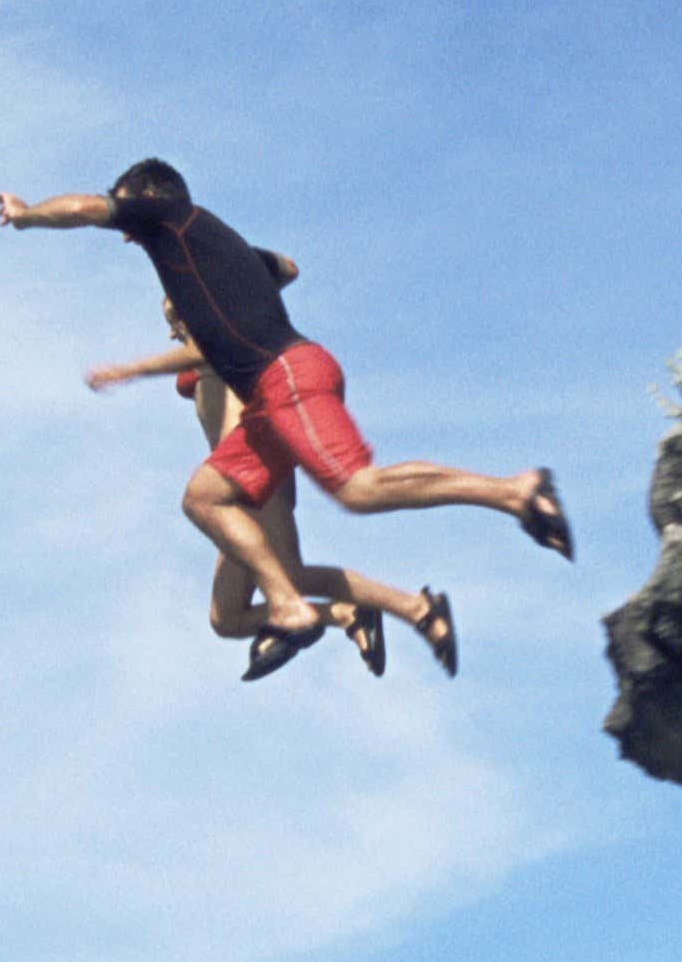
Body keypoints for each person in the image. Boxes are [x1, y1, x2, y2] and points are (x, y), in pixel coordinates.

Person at [0, 157, 570, 678]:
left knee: (357, 488)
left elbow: (82, 208)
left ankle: (514, 492)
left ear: (148, 195)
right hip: (269, 404)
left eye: (124, 207)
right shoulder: (206, 242)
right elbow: (287, 266)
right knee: (202, 498)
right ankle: (293, 608)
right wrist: (236, 279)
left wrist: (26, 216)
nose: (124, 232)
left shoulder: (167, 215)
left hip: (287, 374)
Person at [85, 282, 460, 679]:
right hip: (231, 483)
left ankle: (414, 608)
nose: (171, 332)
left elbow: (254, 297)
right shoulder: (207, 351)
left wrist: (131, 370)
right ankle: (347, 613)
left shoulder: (223, 340)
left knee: (290, 576)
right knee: (227, 616)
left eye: (175, 319)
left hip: (254, 473)